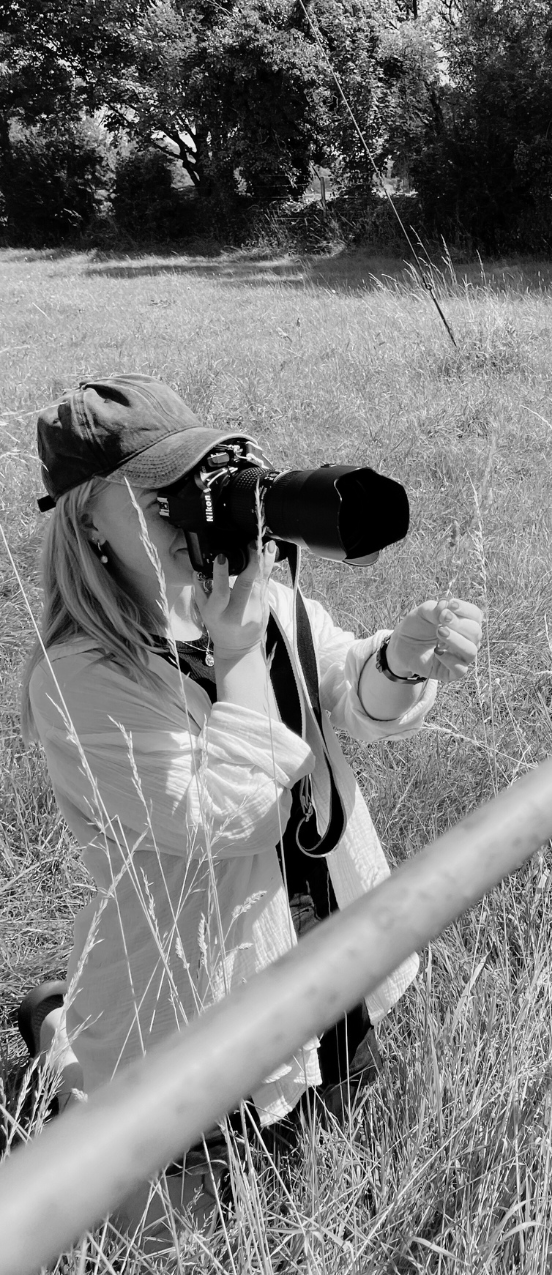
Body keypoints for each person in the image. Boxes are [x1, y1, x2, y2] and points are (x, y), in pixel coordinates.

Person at [17, 374, 483, 1240]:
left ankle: (64, 1028)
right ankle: (56, 1037)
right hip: (190, 989)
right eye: (160, 503)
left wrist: (403, 658)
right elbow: (219, 825)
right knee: (171, 1228)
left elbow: (346, 692)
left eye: (194, 489)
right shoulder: (81, 677)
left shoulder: (255, 601)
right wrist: (234, 660)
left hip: (324, 944)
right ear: (87, 521)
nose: (192, 521)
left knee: (321, 1143)